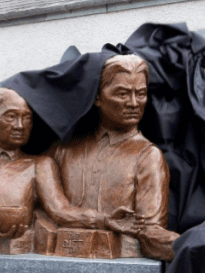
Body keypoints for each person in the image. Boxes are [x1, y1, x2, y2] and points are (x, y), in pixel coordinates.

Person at [42, 53, 176, 261]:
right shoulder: (64, 149)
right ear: (97, 96)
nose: (134, 103)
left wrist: (187, 247)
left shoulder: (148, 155)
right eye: (122, 94)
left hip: (120, 266)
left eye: (140, 94)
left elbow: (150, 232)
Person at [0, 87, 100, 255]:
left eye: (27, 117)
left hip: (21, 252)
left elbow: (61, 211)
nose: (20, 125)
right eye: (11, 116)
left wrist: (104, 220)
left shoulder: (40, 165)